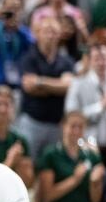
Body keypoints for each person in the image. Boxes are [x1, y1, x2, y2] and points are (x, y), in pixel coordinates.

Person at [18, 16, 73, 159]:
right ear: (37, 34)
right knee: (27, 163)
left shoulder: (66, 61)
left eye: (54, 32)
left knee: (50, 168)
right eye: (46, 31)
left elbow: (68, 86)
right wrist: (56, 85)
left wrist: (40, 81)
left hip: (56, 124)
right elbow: (29, 87)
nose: (50, 36)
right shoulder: (28, 58)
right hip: (32, 122)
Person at [65, 43, 106, 151]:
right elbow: (71, 114)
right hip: (87, 142)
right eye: (97, 59)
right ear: (89, 61)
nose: (101, 63)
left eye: (104, 58)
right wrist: (100, 106)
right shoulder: (78, 84)